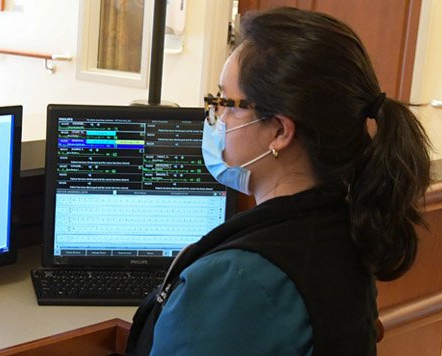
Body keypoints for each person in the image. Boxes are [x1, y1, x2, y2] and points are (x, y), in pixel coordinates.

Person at [126, 7, 431, 356]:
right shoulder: (344, 225)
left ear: (280, 131)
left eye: (228, 103)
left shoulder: (237, 280)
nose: (218, 119)